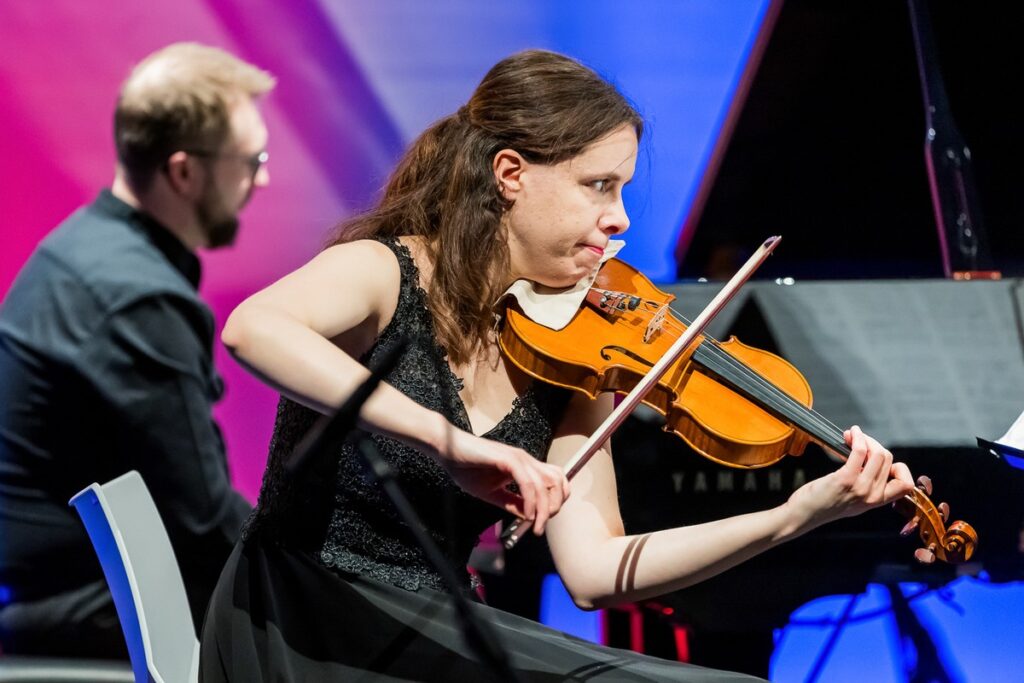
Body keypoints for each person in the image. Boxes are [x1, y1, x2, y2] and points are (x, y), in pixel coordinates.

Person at [200, 50, 914, 682]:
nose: (622, 218)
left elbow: (596, 571)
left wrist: (795, 515)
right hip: (302, 616)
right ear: (510, 174)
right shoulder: (386, 271)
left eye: (624, 189)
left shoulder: (573, 350)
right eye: (599, 185)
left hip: (433, 625)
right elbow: (252, 328)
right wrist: (451, 443)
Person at [0, 43, 275, 657]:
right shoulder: (139, 297)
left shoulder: (84, 247)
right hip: (86, 600)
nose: (262, 178)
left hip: (50, 585)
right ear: (183, 172)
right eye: (250, 159)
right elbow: (204, 522)